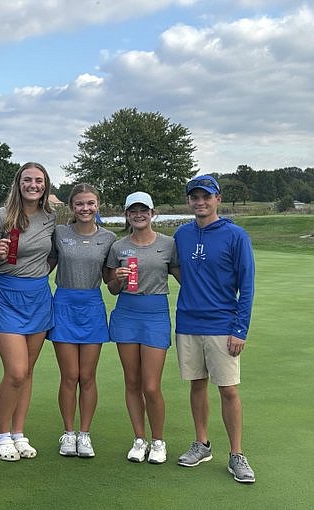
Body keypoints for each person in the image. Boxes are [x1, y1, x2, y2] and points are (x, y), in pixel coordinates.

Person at [174, 175, 256, 483]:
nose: (200, 202)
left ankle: (236, 454)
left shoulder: (236, 235)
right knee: (196, 385)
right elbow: (178, 269)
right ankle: (201, 443)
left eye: (206, 197)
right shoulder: (181, 234)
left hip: (223, 324)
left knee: (228, 390)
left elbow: (246, 286)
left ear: (217, 199)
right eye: (195, 197)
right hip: (188, 323)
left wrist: (240, 329)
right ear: (189, 201)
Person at [0, 162, 56, 462]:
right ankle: (2, 434)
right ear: (19, 183)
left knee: (27, 372)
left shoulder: (51, 218)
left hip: (38, 297)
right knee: (16, 371)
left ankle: (18, 432)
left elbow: (51, 256)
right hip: (6, 296)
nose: (33, 185)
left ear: (45, 185)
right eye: (28, 180)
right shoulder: (0, 217)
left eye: (38, 181)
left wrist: (38, 273)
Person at [106, 191, 179, 464]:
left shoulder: (169, 244)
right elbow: (112, 289)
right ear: (126, 214)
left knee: (151, 385)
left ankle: (158, 441)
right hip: (126, 313)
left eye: (143, 210)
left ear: (152, 213)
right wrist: (118, 279)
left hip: (155, 314)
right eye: (133, 211)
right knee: (132, 382)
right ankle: (139, 439)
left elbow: (183, 277)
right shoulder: (118, 247)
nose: (139, 215)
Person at [48, 184, 115, 458]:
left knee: (87, 376)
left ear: (97, 205)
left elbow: (111, 280)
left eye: (90, 203)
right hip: (63, 304)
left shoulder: (109, 238)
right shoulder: (59, 233)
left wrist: (121, 278)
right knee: (69, 376)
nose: (85, 209)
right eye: (79, 204)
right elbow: (46, 263)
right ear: (72, 207)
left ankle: (84, 434)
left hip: (91, 306)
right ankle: (68, 433)